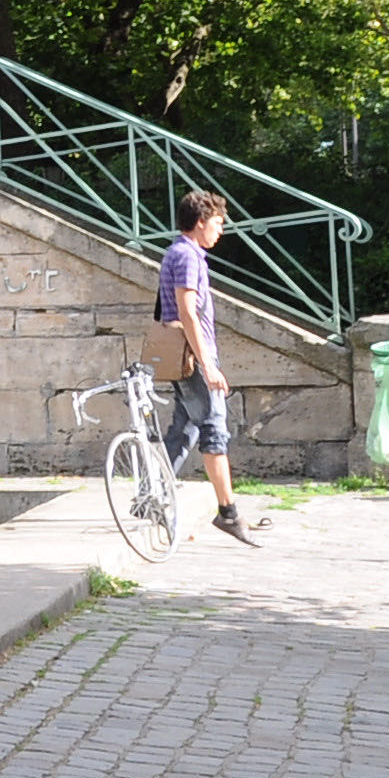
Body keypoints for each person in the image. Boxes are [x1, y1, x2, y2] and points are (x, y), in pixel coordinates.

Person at [156, 189, 259, 546]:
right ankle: (228, 512)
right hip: (193, 356)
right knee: (214, 428)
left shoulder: (180, 252)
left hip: (188, 354)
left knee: (184, 429)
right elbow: (187, 313)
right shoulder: (187, 256)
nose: (221, 230)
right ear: (200, 223)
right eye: (217, 223)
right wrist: (207, 365)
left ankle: (150, 495)